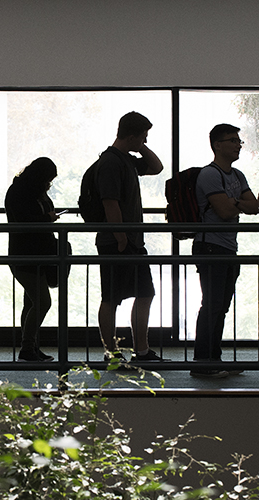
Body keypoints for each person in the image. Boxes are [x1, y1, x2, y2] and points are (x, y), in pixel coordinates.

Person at [88, 112, 164, 362]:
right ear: (130, 136)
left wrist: (141, 146)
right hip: (116, 242)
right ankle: (111, 353)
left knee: (145, 292)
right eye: (143, 136)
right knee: (111, 297)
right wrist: (120, 237)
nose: (145, 141)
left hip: (131, 241)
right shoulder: (111, 162)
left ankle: (141, 350)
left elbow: (156, 167)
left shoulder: (127, 160)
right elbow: (110, 202)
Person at [190, 124, 259, 378]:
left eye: (239, 141)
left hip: (228, 247)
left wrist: (236, 202)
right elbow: (225, 211)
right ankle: (202, 362)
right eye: (232, 140)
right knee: (212, 304)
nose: (238, 144)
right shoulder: (209, 174)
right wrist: (238, 205)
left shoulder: (237, 175)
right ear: (217, 145)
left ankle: (214, 358)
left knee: (221, 306)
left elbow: (255, 207)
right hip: (209, 247)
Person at [5, 157, 61, 362]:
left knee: (31, 303)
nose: (49, 184)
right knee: (42, 301)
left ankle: (30, 347)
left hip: (38, 253)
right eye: (47, 180)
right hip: (24, 254)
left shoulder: (34, 192)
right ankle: (27, 348)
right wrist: (48, 218)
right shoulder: (19, 193)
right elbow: (25, 220)